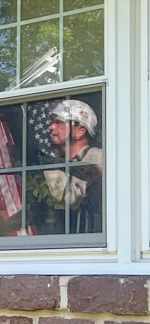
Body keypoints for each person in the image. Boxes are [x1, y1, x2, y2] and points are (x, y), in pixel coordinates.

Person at [41, 98, 103, 231]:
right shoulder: (55, 164)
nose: (51, 127)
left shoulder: (98, 157)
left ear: (80, 131)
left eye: (59, 122)